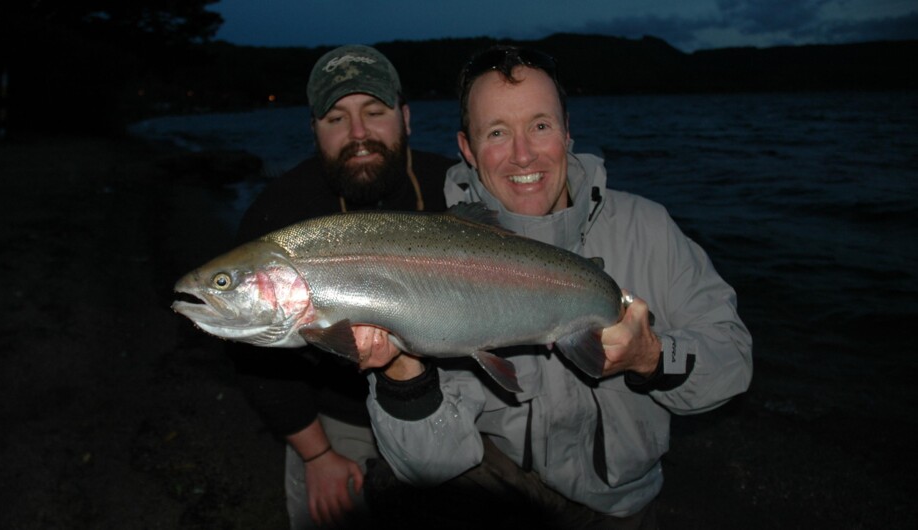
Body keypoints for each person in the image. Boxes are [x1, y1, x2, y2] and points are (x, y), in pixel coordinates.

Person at [354, 45, 753, 528]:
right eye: (497, 132)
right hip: (504, 498)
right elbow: (429, 465)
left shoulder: (648, 228)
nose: (523, 154)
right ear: (467, 149)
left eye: (540, 126)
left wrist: (650, 356)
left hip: (622, 500)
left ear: (567, 132)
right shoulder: (430, 259)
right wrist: (403, 373)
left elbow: (732, 365)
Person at [230, 44, 452, 529]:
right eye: (336, 119)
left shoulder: (455, 188)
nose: (358, 134)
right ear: (314, 131)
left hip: (457, 407)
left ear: (406, 117)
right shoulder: (278, 215)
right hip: (341, 421)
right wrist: (317, 457)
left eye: (374, 112)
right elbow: (255, 359)